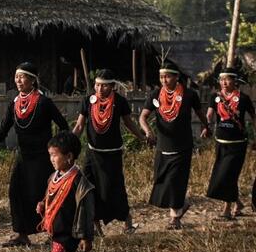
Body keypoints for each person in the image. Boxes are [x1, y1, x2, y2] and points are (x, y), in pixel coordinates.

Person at [0, 62, 69, 247]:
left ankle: (54, 232)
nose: (18, 80)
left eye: (22, 77)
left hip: (42, 157)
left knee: (43, 194)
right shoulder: (14, 103)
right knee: (16, 191)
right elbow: (2, 130)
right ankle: (22, 235)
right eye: (16, 77)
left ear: (32, 80)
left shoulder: (44, 102)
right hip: (24, 157)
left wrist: (56, 149)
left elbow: (63, 126)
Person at [37, 131, 104, 252]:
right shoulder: (54, 176)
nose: (51, 159)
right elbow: (51, 195)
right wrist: (43, 205)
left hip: (70, 233)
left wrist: (86, 236)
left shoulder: (79, 182)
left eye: (54, 155)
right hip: (56, 231)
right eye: (50, 154)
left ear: (69, 157)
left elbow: (87, 211)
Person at [72, 69, 145, 234]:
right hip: (92, 154)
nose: (99, 89)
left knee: (115, 189)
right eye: (97, 85)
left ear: (112, 86)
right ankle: (96, 227)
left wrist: (141, 137)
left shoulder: (119, 101)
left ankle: (127, 224)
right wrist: (69, 143)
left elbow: (129, 123)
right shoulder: (88, 101)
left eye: (104, 86)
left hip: (112, 154)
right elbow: (79, 126)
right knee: (90, 188)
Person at [139, 61, 209, 229]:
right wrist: (148, 131)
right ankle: (181, 206)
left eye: (168, 76)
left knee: (176, 181)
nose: (164, 79)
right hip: (162, 146)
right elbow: (142, 117)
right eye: (161, 76)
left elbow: (200, 114)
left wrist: (207, 127)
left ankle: (174, 218)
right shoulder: (155, 95)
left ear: (177, 77)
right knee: (161, 180)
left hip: (182, 146)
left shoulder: (189, 94)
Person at [206, 67, 254, 220]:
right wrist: (206, 127)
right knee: (223, 174)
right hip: (221, 142)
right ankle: (238, 203)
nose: (224, 82)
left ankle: (226, 210)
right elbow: (209, 114)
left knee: (228, 175)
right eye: (221, 79)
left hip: (238, 143)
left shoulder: (244, 98)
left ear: (235, 81)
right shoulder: (215, 97)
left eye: (228, 79)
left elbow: (254, 117)